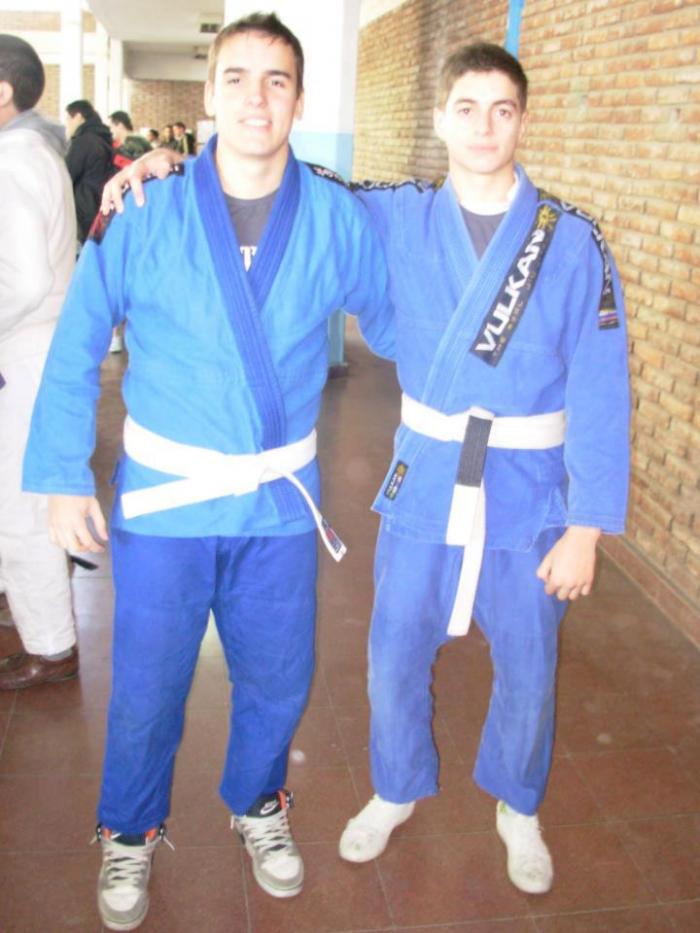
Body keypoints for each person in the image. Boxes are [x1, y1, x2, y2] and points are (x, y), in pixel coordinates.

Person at [102, 40, 630, 898]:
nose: (484, 128)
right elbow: (276, 175)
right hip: (427, 474)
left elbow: (604, 390)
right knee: (393, 649)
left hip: (531, 486)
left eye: (502, 111)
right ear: (441, 119)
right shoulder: (396, 213)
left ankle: (519, 805)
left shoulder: (571, 241)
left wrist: (587, 526)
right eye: (467, 109)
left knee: (530, 659)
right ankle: (395, 785)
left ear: (523, 121)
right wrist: (172, 164)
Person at [24, 12, 393, 931]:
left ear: (299, 99)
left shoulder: (337, 217)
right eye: (237, 78)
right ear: (209, 95)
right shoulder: (145, 209)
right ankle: (129, 827)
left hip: (276, 505)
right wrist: (62, 472)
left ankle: (258, 800)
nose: (256, 99)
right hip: (166, 503)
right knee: (148, 683)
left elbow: (400, 320)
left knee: (278, 673)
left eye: (277, 81)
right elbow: (77, 342)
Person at [0, 35, 78, 690]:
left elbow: (24, 280)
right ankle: (22, 603)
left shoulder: (11, 160)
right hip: (38, 346)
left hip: (23, 348)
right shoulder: (34, 150)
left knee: (20, 503)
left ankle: (51, 648)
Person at [65, 99, 114, 243]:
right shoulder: (102, 139)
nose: (67, 124)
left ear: (78, 117)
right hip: (98, 204)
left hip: (83, 209)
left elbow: (67, 175)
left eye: (68, 119)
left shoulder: (84, 141)